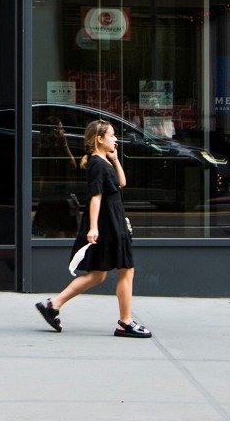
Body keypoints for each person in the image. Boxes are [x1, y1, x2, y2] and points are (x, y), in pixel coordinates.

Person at [34, 118, 152, 338]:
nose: (116, 139)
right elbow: (95, 198)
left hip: (113, 221)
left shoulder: (104, 161)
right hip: (108, 224)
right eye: (112, 136)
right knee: (126, 270)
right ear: (99, 139)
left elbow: (122, 183)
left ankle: (53, 304)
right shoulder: (96, 165)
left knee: (98, 275)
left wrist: (116, 160)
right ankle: (125, 322)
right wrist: (94, 228)